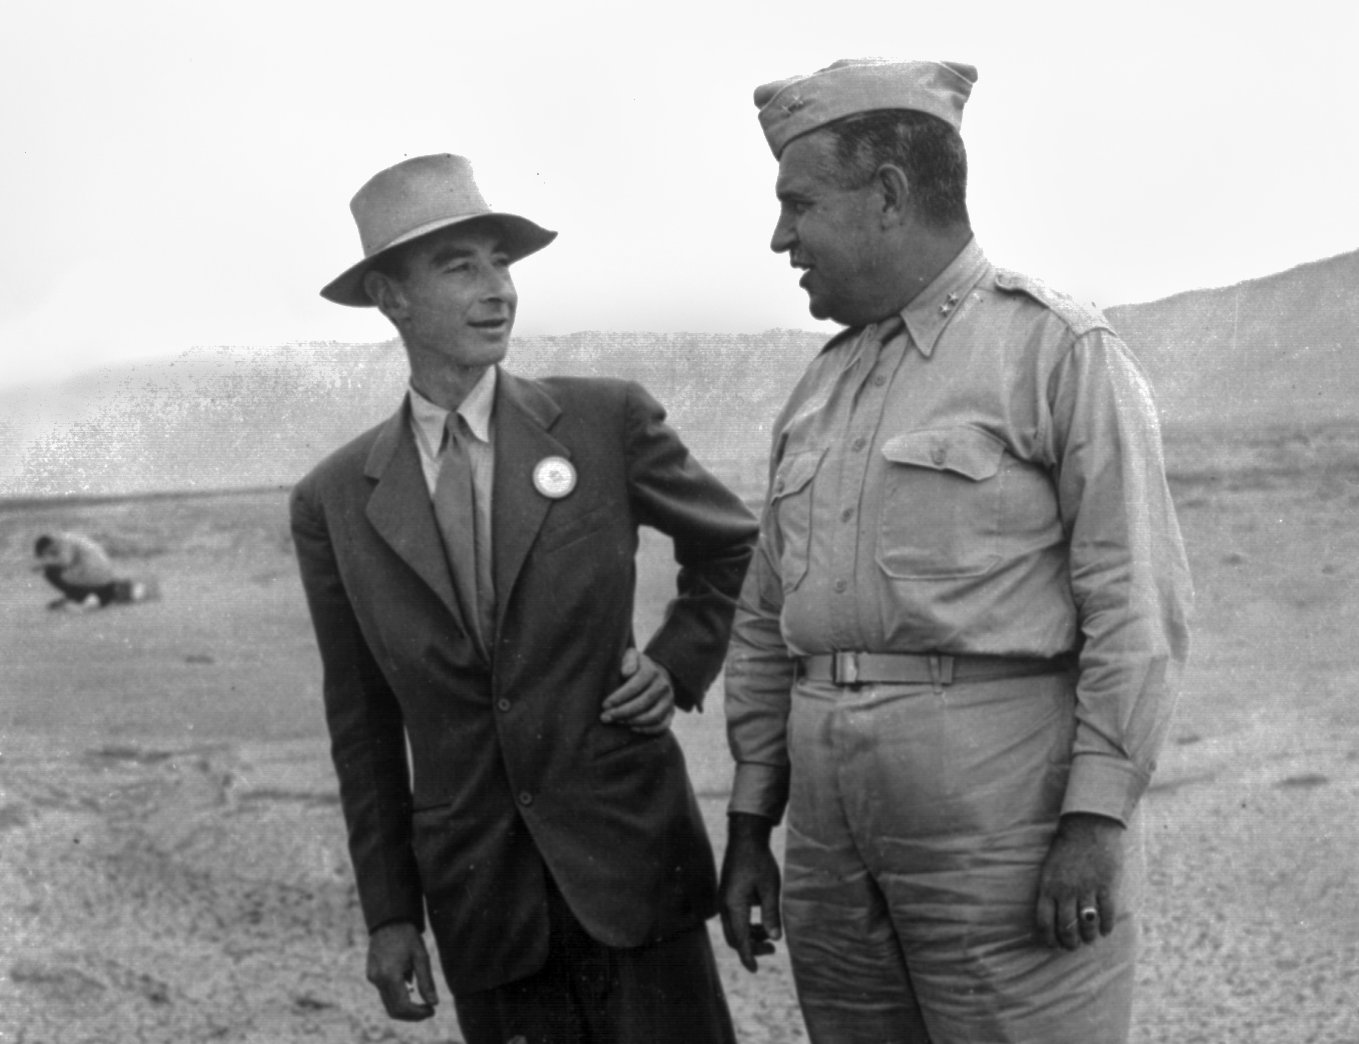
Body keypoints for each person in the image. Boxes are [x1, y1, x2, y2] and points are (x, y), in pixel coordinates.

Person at [718, 59, 1193, 1043]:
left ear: (888, 196)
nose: (780, 236)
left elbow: (1135, 605)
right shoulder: (821, 388)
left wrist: (1096, 821)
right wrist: (752, 822)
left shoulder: (1056, 350)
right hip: (829, 850)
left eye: (798, 203)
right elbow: (767, 623)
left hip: (1004, 840)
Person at [290, 153, 755, 1044]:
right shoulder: (335, 500)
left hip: (631, 869)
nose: (496, 288)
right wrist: (391, 914)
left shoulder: (603, 422)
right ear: (391, 299)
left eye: (500, 263)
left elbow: (731, 546)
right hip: (485, 903)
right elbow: (360, 720)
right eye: (460, 266)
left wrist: (676, 664)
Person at [33, 531, 155, 610]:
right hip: (105, 576)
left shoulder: (63, 543)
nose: (49, 556)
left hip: (93, 575)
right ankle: (87, 596)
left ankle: (83, 598)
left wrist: (43, 564)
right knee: (104, 592)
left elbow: (66, 561)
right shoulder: (71, 537)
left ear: (48, 546)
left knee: (50, 572)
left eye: (46, 554)